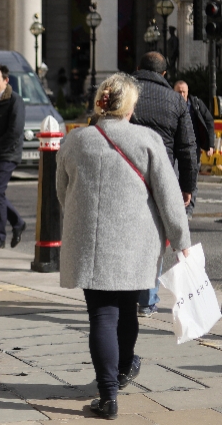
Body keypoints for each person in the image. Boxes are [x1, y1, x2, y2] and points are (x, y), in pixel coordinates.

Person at [57, 73, 191, 419]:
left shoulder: (76, 141)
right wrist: (181, 240)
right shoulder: (147, 140)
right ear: (130, 106)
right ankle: (122, 369)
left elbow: (63, 193)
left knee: (102, 315)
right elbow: (169, 196)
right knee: (128, 310)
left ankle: (108, 395)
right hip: (135, 244)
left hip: (91, 244)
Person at [131, 52, 196, 317]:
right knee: (155, 237)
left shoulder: (123, 92)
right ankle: (147, 300)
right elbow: (188, 149)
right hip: (161, 177)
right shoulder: (175, 101)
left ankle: (125, 294)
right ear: (165, 74)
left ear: (137, 69)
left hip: (124, 173)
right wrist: (187, 187)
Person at [0, 64, 26, 250]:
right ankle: (17, 223)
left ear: (6, 80)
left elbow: (15, 131)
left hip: (8, 154)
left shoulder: (15, 101)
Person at [174, 80, 215, 219]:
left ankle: (188, 211)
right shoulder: (170, 104)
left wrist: (210, 144)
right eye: (178, 91)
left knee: (192, 179)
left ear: (187, 92)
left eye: (183, 91)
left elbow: (209, 120)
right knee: (174, 177)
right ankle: (177, 208)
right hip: (174, 148)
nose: (181, 94)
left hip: (193, 147)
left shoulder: (195, 104)